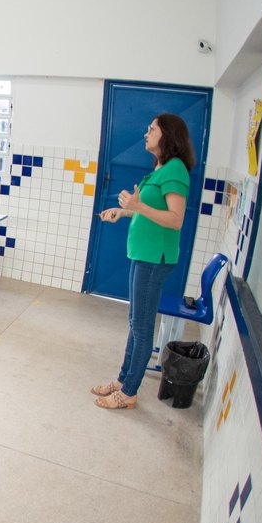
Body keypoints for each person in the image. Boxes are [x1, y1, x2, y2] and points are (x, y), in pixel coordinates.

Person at [92, 113, 194, 410]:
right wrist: (123, 212)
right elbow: (149, 209)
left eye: (152, 129)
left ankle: (129, 392)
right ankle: (124, 380)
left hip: (155, 259)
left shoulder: (175, 171)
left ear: (168, 135)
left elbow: (175, 220)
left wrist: (137, 206)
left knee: (142, 327)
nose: (146, 133)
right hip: (143, 255)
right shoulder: (160, 168)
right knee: (135, 322)